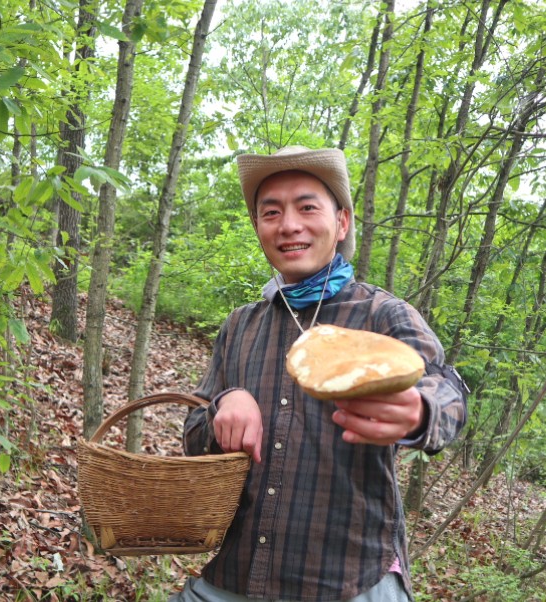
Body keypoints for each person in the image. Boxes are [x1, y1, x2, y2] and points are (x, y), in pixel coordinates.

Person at [174, 146, 468, 602]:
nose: (289, 225)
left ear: (342, 222)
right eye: (271, 212)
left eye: (307, 207)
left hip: (349, 579)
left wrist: (420, 411)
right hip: (235, 574)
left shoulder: (382, 314)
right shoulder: (241, 325)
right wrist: (222, 406)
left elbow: (448, 395)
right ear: (258, 228)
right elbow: (193, 436)